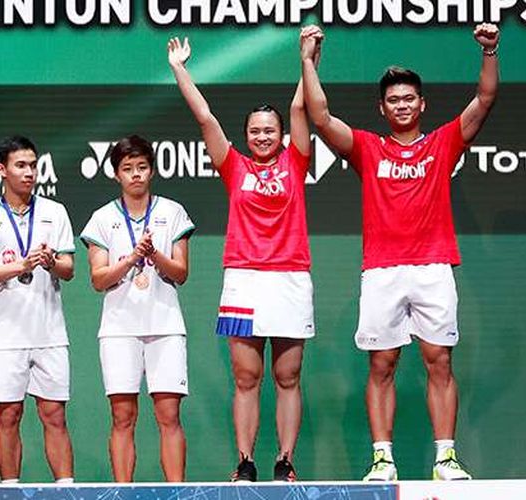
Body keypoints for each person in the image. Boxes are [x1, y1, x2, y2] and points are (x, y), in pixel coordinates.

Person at [300, 24, 500, 480]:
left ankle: (445, 459)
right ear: (383, 108)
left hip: (433, 267)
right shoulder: (368, 148)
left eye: (410, 98)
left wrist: (490, 50)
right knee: (382, 364)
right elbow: (321, 116)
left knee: (440, 361)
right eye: (394, 100)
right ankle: (382, 460)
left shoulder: (443, 143)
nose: (403, 105)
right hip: (383, 271)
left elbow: (485, 99)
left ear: (422, 104)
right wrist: (309, 62)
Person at [168, 36, 317, 482]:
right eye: (255, 130)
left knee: (288, 376)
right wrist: (180, 69)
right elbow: (205, 117)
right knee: (246, 377)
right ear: (247, 134)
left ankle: (285, 461)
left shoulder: (296, 161)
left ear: (281, 135)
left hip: (290, 276)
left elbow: (300, 109)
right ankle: (246, 461)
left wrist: (308, 61)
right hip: (244, 280)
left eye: (269, 130)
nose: (262, 135)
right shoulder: (235, 167)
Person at [0, 135, 76, 483]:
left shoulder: (55, 213)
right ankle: (9, 491)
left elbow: (69, 269)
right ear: (1, 169)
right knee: (8, 415)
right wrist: (20, 266)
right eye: (20, 165)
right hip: (5, 332)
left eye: (33, 165)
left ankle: (65, 490)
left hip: (50, 330)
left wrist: (51, 260)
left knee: (54, 414)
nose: (29, 173)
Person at [81, 135, 195, 482]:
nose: (135, 175)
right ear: (116, 174)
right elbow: (98, 279)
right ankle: (122, 492)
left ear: (152, 170)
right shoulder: (102, 218)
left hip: (165, 326)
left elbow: (181, 273)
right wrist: (132, 257)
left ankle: (177, 492)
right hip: (118, 328)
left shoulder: (172, 212)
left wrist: (155, 255)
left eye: (142, 167)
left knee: (168, 414)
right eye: (127, 169)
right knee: (122, 415)